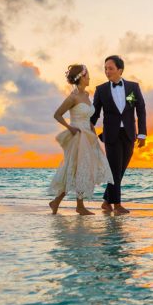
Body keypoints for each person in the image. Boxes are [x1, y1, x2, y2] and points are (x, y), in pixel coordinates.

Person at [49, 64, 113, 215]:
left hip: (88, 135)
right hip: (77, 136)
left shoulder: (86, 95)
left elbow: (86, 114)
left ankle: (60, 202)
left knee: (84, 170)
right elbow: (57, 114)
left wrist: (90, 124)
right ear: (82, 77)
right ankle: (77, 205)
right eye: (88, 75)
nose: (90, 77)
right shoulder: (73, 97)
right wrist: (69, 127)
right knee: (76, 169)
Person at [90, 55, 146, 215]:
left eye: (110, 68)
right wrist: (86, 126)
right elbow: (95, 113)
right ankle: (117, 205)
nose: (107, 71)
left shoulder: (133, 87)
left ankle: (106, 201)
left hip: (129, 133)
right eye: (105, 68)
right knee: (114, 169)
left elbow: (141, 109)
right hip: (111, 134)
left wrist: (142, 134)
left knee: (121, 169)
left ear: (120, 70)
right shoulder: (101, 90)